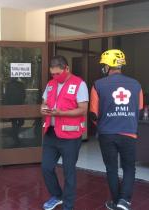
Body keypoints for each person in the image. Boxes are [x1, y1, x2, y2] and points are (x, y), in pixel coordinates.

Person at [89, 49, 143, 210]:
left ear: (108, 65)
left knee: (111, 168)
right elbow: (139, 110)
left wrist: (104, 127)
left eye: (104, 64)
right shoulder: (136, 84)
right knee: (128, 167)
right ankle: (124, 201)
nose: (103, 68)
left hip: (107, 134)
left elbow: (93, 114)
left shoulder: (97, 85)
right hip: (129, 133)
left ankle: (116, 201)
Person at [41, 55, 88, 210]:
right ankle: (57, 195)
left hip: (70, 136)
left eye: (58, 74)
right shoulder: (50, 84)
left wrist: (61, 114)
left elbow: (83, 109)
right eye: (52, 74)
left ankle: (68, 205)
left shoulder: (79, 84)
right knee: (46, 168)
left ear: (67, 69)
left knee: (69, 173)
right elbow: (44, 103)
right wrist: (42, 108)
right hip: (51, 133)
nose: (55, 77)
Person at [3, 78, 26, 146]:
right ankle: (15, 137)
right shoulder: (19, 84)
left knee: (16, 122)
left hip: (13, 105)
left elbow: (6, 96)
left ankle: (15, 134)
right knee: (19, 121)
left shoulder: (9, 85)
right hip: (18, 105)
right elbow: (24, 95)